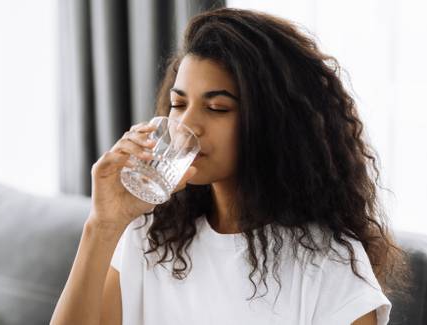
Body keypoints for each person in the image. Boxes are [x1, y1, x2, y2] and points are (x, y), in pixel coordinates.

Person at [50, 7, 412, 325]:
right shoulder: (152, 233)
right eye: (178, 104)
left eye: (217, 107)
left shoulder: (330, 266)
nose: (187, 124)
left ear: (274, 122)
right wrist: (102, 225)